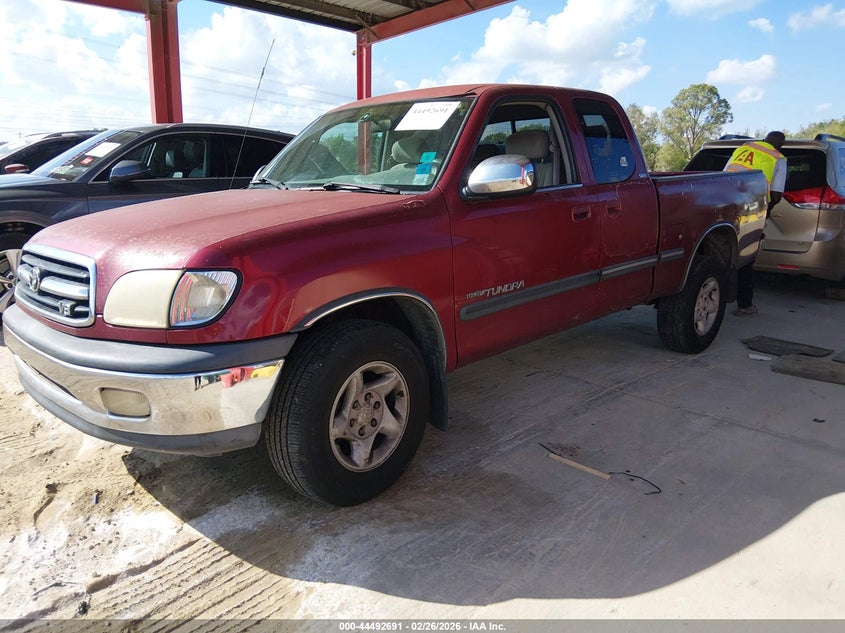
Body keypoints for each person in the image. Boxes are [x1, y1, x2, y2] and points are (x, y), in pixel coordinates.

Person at [723, 131, 787, 316]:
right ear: (780, 145)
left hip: (725, 203)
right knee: (746, 255)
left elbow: (724, 172)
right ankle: (745, 304)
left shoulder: (743, 148)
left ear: (765, 140)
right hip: (751, 208)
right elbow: (776, 194)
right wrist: (767, 210)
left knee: (723, 251)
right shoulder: (779, 158)